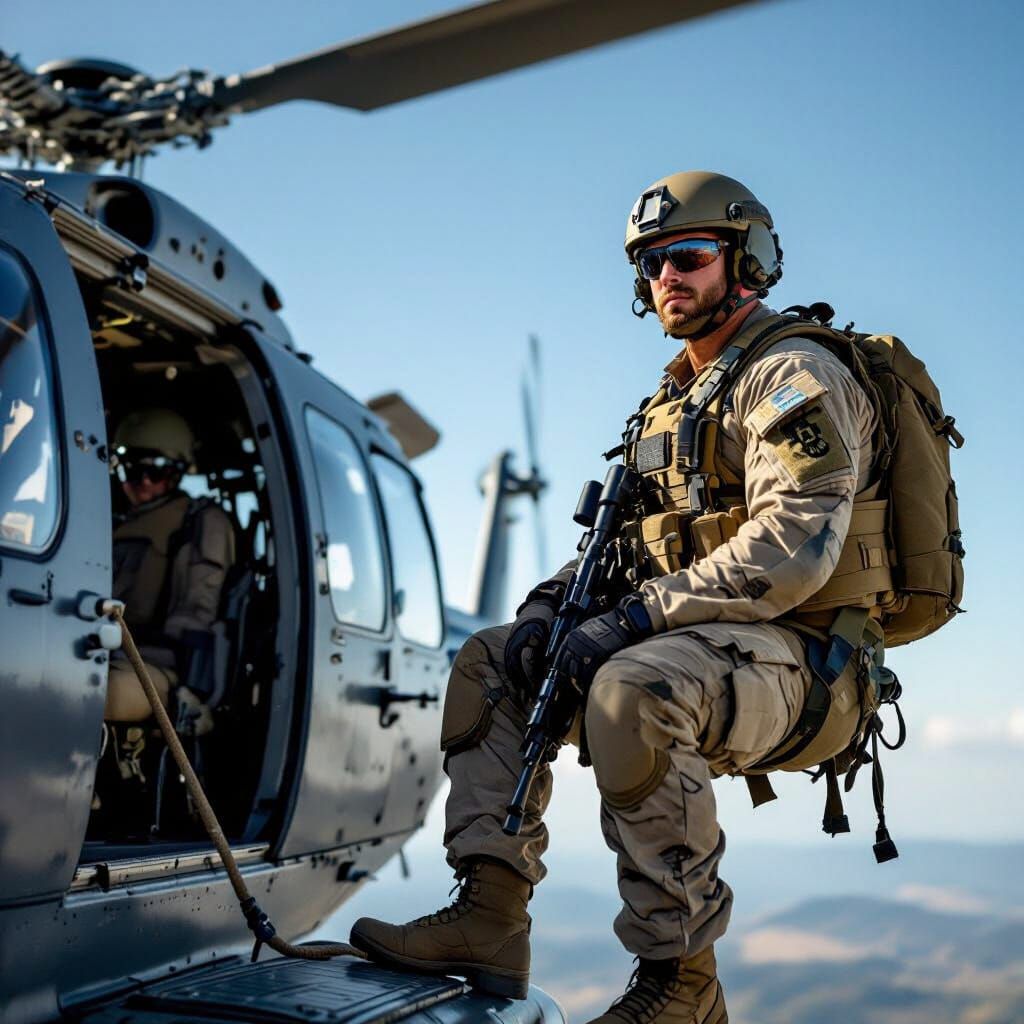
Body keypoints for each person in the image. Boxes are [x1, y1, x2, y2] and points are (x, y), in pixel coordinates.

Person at [350, 171, 888, 1023]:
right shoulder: (671, 406)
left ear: (746, 261)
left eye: (687, 256)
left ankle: (682, 984)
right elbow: (619, 553)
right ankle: (489, 916)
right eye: (649, 265)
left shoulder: (791, 374)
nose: (664, 278)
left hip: (808, 660)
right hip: (712, 648)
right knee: (491, 661)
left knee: (632, 686)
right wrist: (544, 611)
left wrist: (634, 621)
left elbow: (795, 550)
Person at [104, 408, 235, 739]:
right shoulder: (110, 520)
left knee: (84, 694)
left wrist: (190, 689)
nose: (143, 483)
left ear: (177, 473)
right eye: (133, 470)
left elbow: (197, 613)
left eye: (157, 471)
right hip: (97, 649)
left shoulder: (200, 522)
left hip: (157, 663)